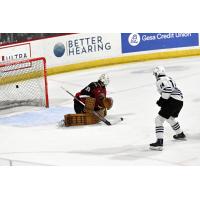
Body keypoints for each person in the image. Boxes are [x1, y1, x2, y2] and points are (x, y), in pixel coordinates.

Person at [150, 66, 186, 151]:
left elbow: (167, 90)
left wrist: (161, 101)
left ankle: (159, 143)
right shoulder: (169, 78)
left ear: (157, 73)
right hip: (179, 101)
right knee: (169, 118)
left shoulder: (160, 80)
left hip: (172, 101)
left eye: (155, 74)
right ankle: (180, 134)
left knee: (158, 120)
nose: (155, 76)